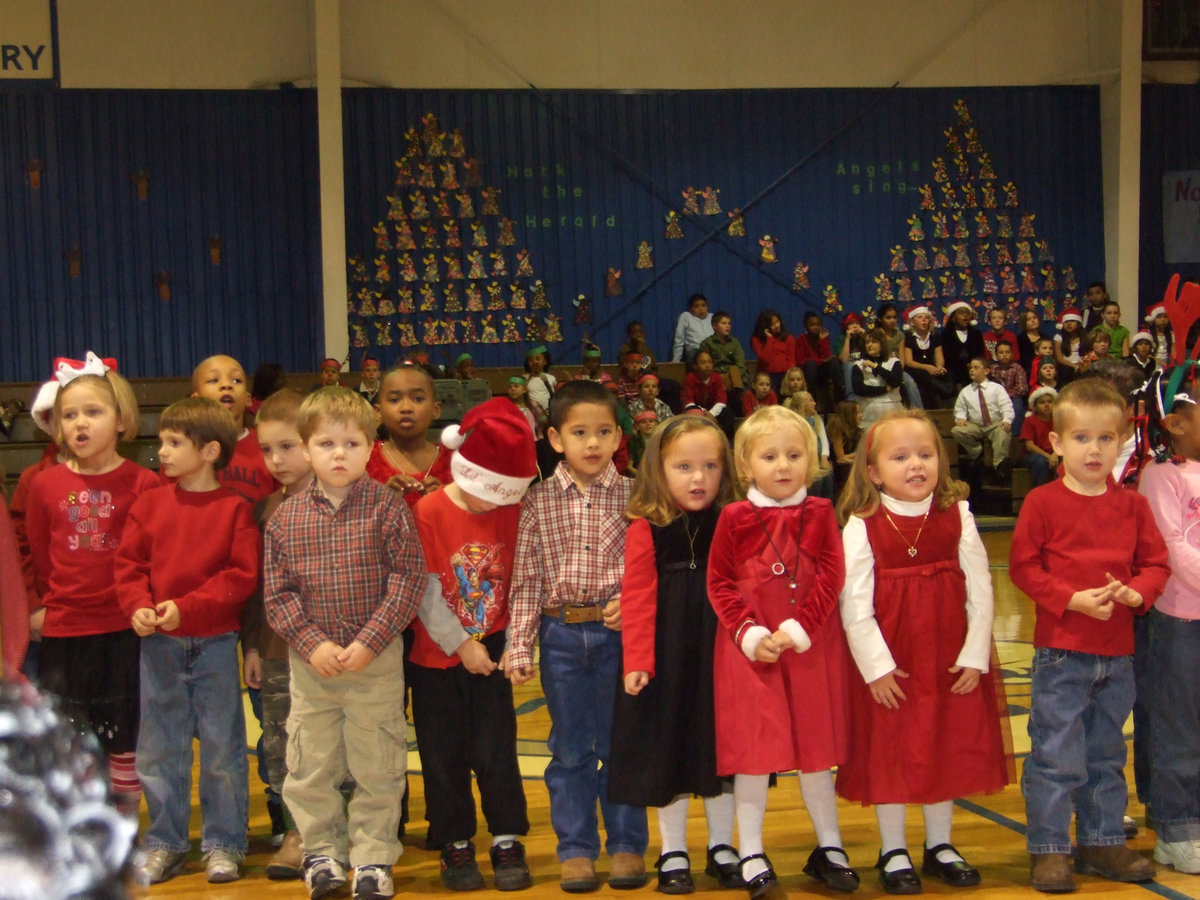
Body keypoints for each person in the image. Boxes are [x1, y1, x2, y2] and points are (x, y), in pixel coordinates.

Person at [264, 387, 430, 900]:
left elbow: (407, 579)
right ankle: (322, 853)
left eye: (352, 444)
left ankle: (374, 856)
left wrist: (369, 641)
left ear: (370, 447)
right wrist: (311, 644)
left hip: (374, 663)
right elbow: (278, 593)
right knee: (310, 763)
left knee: (377, 761)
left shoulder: (389, 508)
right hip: (312, 669)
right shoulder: (285, 520)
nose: (340, 455)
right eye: (327, 444)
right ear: (306, 449)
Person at [837, 409, 1010, 893]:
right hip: (895, 664)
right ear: (873, 472)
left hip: (949, 660)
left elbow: (981, 589)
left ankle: (940, 845)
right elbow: (853, 604)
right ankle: (893, 849)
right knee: (892, 752)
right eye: (901, 457)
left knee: (945, 747)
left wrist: (976, 653)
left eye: (926, 454)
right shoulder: (863, 523)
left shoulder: (958, 514)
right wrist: (877, 669)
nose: (916, 465)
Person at [1010, 379, 1170, 892]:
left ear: (1122, 440)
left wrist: (1135, 594)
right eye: (1081, 438)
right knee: (1055, 754)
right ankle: (1051, 848)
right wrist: (1069, 598)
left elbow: (1155, 564)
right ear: (1056, 443)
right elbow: (1023, 567)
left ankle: (1101, 841)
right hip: (1062, 652)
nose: (1094, 450)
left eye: (1105, 439)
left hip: (1117, 655)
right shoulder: (1042, 502)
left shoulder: (1132, 505)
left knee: (1105, 753)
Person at [503, 380, 649, 893]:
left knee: (621, 742)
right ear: (556, 438)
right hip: (561, 634)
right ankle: (576, 849)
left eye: (604, 432)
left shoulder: (636, 495)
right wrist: (519, 645)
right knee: (569, 749)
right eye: (580, 432)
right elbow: (526, 579)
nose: (593, 443)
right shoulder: (537, 501)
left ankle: (628, 845)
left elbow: (649, 571)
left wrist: (631, 603)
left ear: (618, 437)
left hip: (618, 639)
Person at [708, 406, 857, 898]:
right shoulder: (732, 517)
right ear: (746, 464)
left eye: (794, 455)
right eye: (769, 456)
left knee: (816, 753)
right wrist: (751, 634)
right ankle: (751, 850)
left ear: (811, 461)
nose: (782, 465)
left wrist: (799, 628)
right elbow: (719, 584)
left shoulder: (819, 512)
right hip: (751, 655)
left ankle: (830, 846)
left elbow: (832, 576)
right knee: (755, 754)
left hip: (808, 649)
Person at [114, 397, 260, 884]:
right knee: (159, 749)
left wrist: (188, 608)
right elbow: (129, 565)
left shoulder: (235, 510)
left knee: (221, 748)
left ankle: (224, 842)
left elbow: (240, 576)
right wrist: (137, 604)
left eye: (174, 442)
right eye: (161, 441)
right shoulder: (150, 504)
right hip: (159, 646)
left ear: (210, 450)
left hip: (216, 642)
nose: (163, 451)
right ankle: (166, 842)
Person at [610, 415, 743, 894]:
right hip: (667, 654)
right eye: (684, 466)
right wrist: (638, 660)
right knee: (669, 750)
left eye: (710, 466)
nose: (698, 478)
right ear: (659, 470)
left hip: (722, 652)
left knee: (721, 751)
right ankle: (673, 850)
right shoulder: (646, 526)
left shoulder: (734, 519)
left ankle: (723, 846)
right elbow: (638, 596)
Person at [410, 399, 539, 891]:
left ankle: (506, 837)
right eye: (487, 493)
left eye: (504, 495)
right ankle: (455, 842)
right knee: (442, 754)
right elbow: (423, 587)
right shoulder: (429, 510)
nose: (494, 504)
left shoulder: (514, 511)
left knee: (496, 750)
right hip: (437, 656)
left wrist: (517, 643)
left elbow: (525, 579)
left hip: (496, 648)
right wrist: (460, 643)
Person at [24, 353, 160, 819]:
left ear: (121, 420)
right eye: (69, 415)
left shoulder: (144, 483)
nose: (80, 423)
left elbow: (149, 557)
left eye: (93, 412)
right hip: (65, 630)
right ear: (57, 426)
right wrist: (39, 606)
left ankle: (122, 822)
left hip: (124, 628)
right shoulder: (44, 485)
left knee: (125, 733)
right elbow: (41, 553)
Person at [242, 388, 313, 880]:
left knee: (337, 745)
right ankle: (295, 831)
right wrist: (249, 645)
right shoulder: (263, 509)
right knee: (282, 743)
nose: (276, 460)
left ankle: (337, 829)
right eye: (267, 450)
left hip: (335, 651)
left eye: (287, 447)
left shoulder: (347, 501)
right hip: (275, 650)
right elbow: (253, 587)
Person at [1137, 363, 1200, 875]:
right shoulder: (1162, 476)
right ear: (1176, 423)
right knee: (1177, 724)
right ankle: (1176, 826)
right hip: (1180, 620)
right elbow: (1172, 548)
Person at [192, 354, 277, 503]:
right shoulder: (183, 447)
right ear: (196, 400)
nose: (226, 385)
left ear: (248, 399)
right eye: (214, 380)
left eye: (236, 380)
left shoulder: (268, 445)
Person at [366, 361, 452, 508]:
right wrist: (380, 501)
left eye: (417, 399)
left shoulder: (455, 463)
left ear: (435, 409)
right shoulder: (363, 460)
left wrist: (449, 501)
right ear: (378, 412)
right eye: (394, 400)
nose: (406, 408)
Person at [951, 357, 1015, 484]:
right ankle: (977, 452)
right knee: (956, 431)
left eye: (976, 367)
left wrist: (1007, 419)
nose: (972, 370)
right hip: (976, 426)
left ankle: (999, 466)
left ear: (986, 371)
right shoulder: (966, 391)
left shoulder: (996, 388)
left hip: (994, 424)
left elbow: (1006, 405)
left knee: (1003, 432)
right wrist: (961, 418)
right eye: (970, 368)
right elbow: (959, 409)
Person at [900, 306, 956, 410]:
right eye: (920, 317)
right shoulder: (908, 338)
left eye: (926, 317)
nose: (924, 320)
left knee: (948, 375)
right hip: (916, 369)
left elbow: (939, 357)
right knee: (926, 379)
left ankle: (949, 408)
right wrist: (926, 367)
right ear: (912, 322)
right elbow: (909, 361)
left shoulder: (935, 337)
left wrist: (939, 366)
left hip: (931, 368)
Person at [852, 328, 905, 429]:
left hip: (892, 412)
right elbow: (859, 389)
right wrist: (885, 389)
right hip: (868, 413)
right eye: (867, 342)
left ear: (882, 344)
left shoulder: (894, 362)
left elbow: (896, 381)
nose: (870, 345)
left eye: (874, 342)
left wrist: (875, 366)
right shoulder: (858, 365)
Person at [794, 311, 845, 408]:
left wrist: (822, 341)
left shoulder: (823, 339)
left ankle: (840, 398)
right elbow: (801, 361)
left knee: (834, 361)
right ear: (806, 327)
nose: (816, 327)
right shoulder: (801, 339)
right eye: (812, 325)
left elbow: (827, 357)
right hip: (809, 373)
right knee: (811, 364)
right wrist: (822, 361)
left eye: (818, 325)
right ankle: (812, 400)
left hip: (822, 373)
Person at [1020, 387, 1059, 488]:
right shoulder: (1030, 421)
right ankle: (1039, 492)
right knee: (1040, 461)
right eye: (1042, 403)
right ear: (1035, 406)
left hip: (1056, 452)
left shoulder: (1058, 419)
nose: (1047, 405)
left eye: (1050, 402)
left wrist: (1055, 454)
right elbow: (1029, 446)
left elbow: (1063, 440)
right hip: (1036, 454)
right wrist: (1048, 457)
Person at [940, 302, 984, 389]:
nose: (965, 316)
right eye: (961, 313)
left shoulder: (976, 334)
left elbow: (979, 354)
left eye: (967, 313)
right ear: (953, 318)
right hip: (953, 371)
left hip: (972, 369)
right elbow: (946, 356)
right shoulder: (946, 334)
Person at [700, 310, 747, 394]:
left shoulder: (734, 342)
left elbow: (740, 364)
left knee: (737, 372)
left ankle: (740, 401)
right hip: (715, 376)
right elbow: (705, 366)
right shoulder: (707, 343)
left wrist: (729, 379)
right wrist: (720, 378)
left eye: (729, 323)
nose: (727, 326)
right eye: (724, 323)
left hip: (733, 377)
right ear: (714, 326)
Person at [750, 310, 795, 393]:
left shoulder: (788, 337)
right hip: (767, 376)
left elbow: (791, 361)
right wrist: (769, 339)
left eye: (777, 321)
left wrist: (788, 377)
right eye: (772, 324)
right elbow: (765, 359)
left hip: (785, 375)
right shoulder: (757, 340)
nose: (777, 325)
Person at [827, 401, 862, 497]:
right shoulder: (837, 430)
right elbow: (841, 458)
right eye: (858, 413)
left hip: (852, 462)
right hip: (840, 468)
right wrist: (857, 456)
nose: (861, 415)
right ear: (849, 415)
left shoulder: (858, 431)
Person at [989, 341, 1029, 424]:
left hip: (1014, 398)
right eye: (1001, 352)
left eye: (1007, 352)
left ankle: (1014, 434)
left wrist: (1006, 395)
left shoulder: (1017, 368)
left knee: (1017, 409)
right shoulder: (991, 369)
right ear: (996, 355)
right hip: (995, 398)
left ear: (1012, 354)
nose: (1004, 355)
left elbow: (1022, 388)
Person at [672, 294, 714, 364]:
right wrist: (676, 360)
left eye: (703, 306)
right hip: (695, 351)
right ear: (691, 309)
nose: (701, 309)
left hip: (712, 350)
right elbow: (679, 340)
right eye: (696, 306)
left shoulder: (712, 317)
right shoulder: (686, 317)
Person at [524, 345, 558, 414]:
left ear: (545, 361)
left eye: (537, 359)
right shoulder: (524, 379)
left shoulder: (551, 378)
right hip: (531, 413)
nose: (535, 362)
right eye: (531, 360)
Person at [1054, 309, 1086, 378]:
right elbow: (1059, 358)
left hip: (1082, 365)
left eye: (1072, 321)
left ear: (1078, 323)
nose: (1069, 324)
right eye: (1066, 322)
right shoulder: (1059, 337)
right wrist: (1074, 366)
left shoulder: (1085, 337)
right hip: (1066, 366)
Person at [1145, 304, 1175, 368]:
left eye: (1165, 317)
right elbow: (1146, 354)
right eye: (1159, 317)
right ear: (1153, 319)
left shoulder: (1171, 334)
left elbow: (1173, 352)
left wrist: (1171, 363)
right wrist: (1160, 362)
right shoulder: (1148, 334)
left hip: (1167, 364)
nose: (1163, 320)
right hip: (1152, 363)